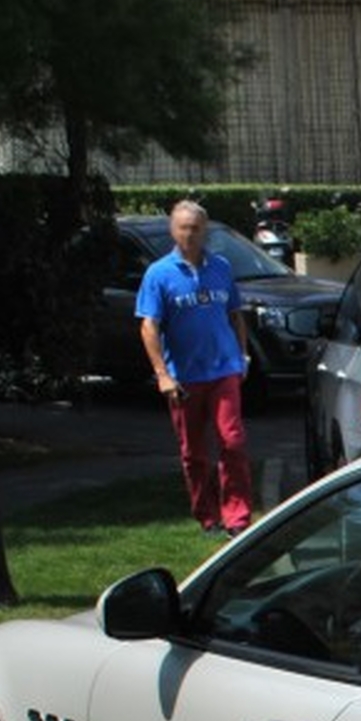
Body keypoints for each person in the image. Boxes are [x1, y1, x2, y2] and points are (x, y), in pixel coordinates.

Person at [136, 199, 255, 536]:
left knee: (232, 441)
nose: (190, 234)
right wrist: (163, 374)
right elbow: (149, 326)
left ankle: (238, 517)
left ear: (206, 231)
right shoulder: (159, 274)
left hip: (224, 370)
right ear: (173, 231)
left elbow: (235, 315)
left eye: (196, 228)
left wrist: (242, 355)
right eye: (183, 228)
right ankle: (208, 516)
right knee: (194, 452)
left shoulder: (220, 267)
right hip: (184, 377)